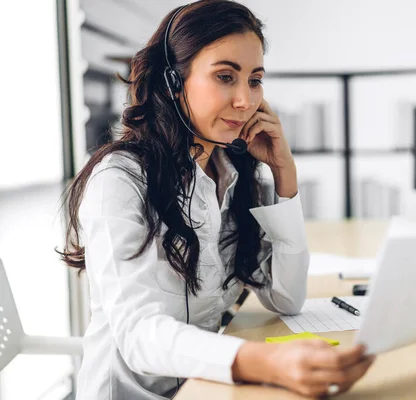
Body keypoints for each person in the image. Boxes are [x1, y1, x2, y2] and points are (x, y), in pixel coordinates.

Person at [58, 1, 375, 399]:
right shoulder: (120, 180)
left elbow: (286, 297)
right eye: (226, 76)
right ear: (174, 82)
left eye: (255, 80)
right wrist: (264, 362)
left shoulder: (230, 173)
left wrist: (284, 175)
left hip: (203, 388)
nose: (246, 101)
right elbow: (138, 333)